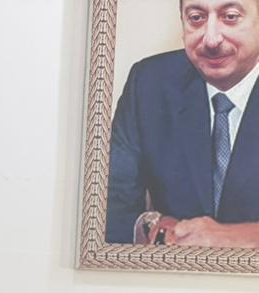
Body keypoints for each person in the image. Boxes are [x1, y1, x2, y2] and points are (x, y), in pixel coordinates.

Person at [106, 0, 259, 245]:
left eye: (230, 17)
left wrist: (240, 238)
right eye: (196, 18)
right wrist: (152, 227)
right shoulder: (148, 83)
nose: (211, 40)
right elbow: (107, 206)